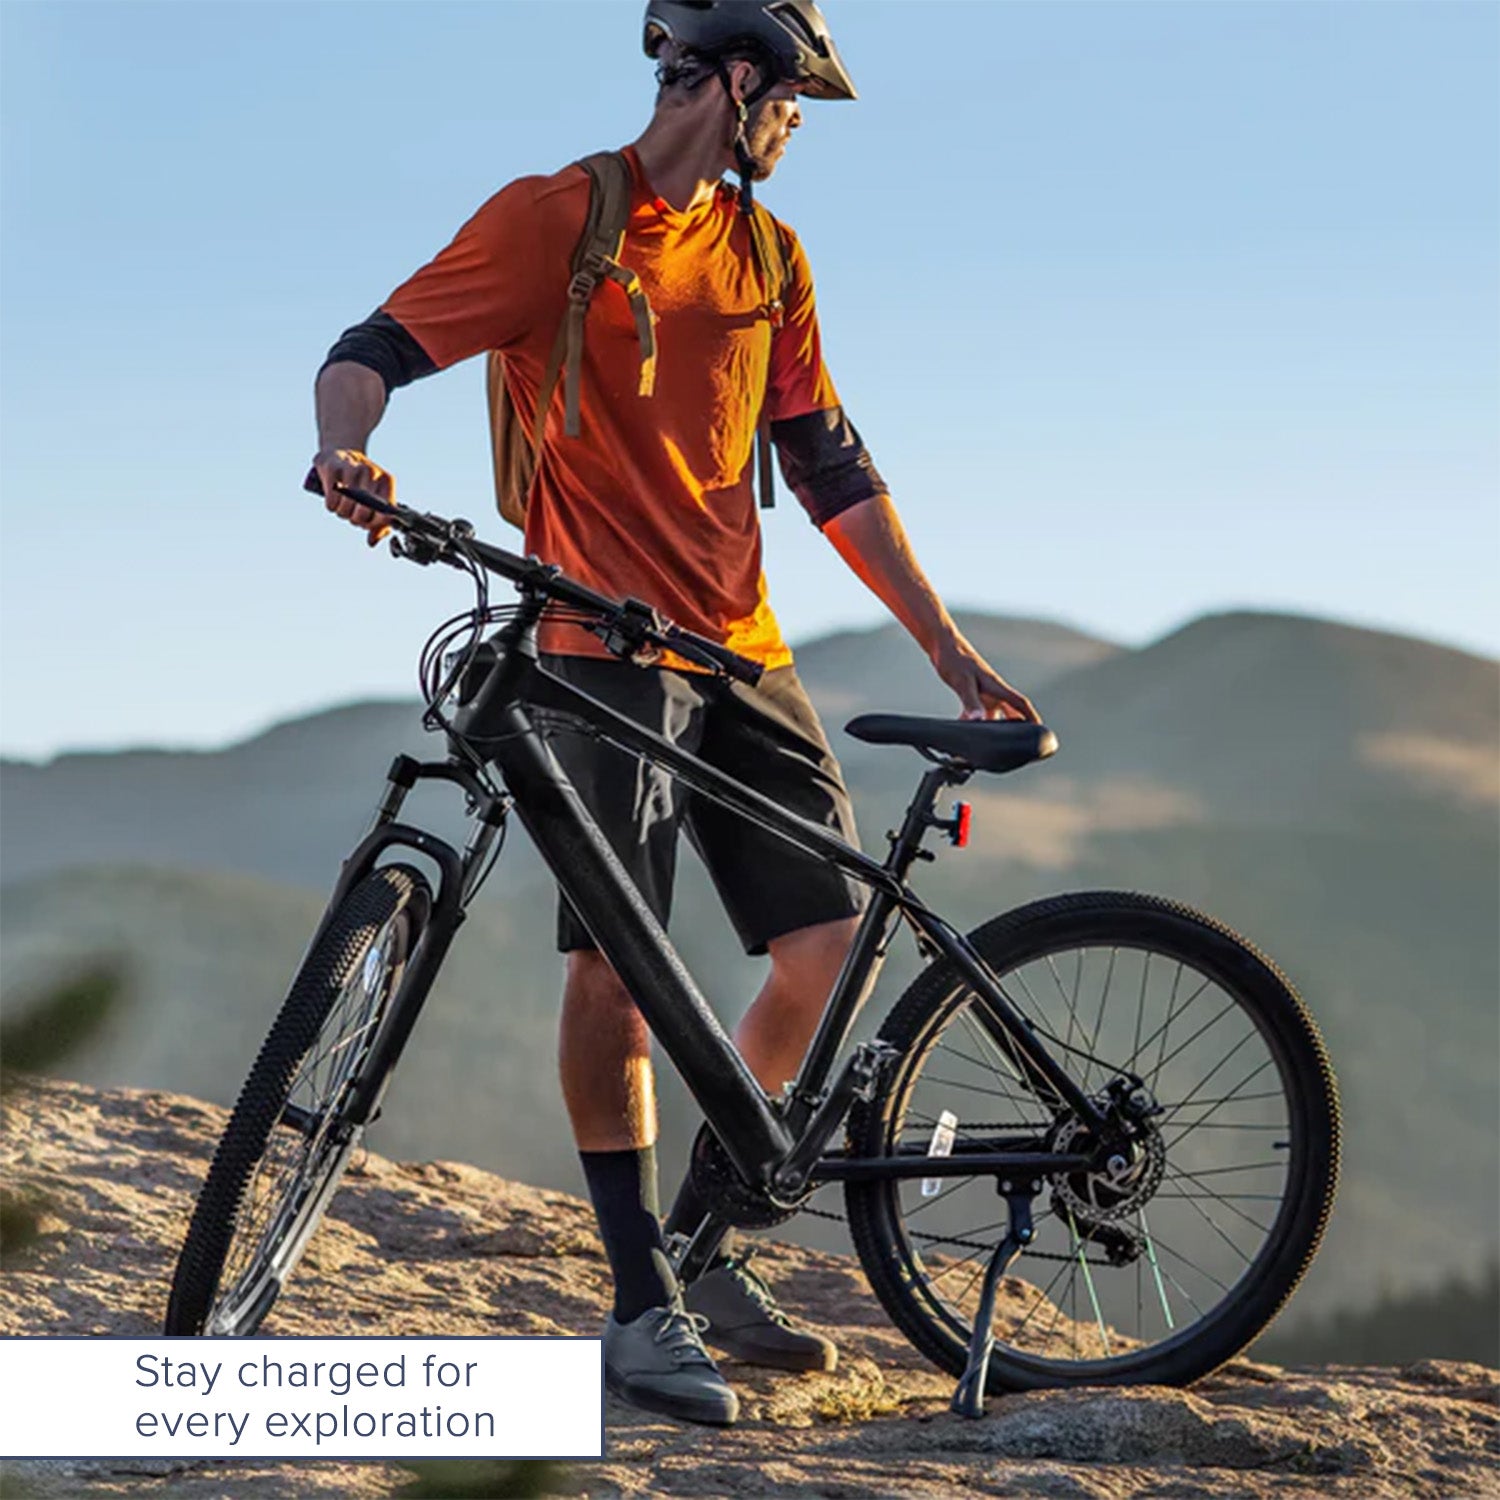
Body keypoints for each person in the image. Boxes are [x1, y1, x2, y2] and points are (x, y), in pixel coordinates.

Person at [310, 0, 1039, 1428]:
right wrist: (345, 453)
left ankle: (701, 1249)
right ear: (751, 84)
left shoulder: (770, 253)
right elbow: (374, 344)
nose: (792, 134)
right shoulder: (558, 221)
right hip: (596, 650)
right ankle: (640, 1305)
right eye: (792, 107)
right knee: (616, 974)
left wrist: (946, 647)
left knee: (827, 953)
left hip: (743, 654)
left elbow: (826, 465)